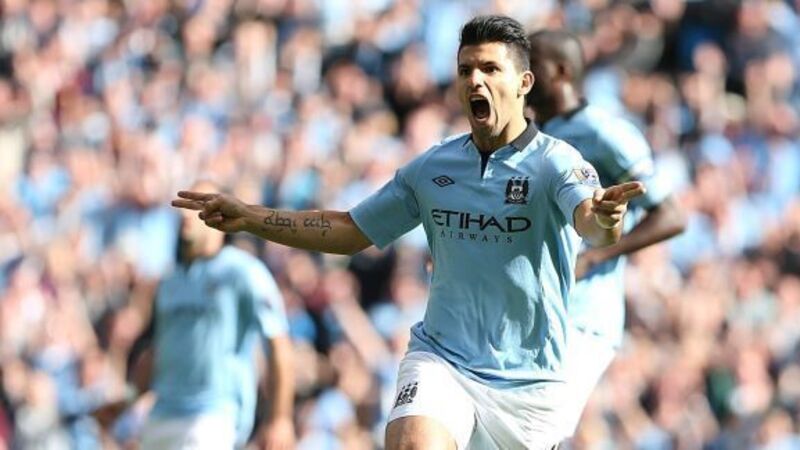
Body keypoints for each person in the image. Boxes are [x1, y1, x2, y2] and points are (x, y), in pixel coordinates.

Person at [173, 16, 645, 450]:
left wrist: (606, 217)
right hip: (443, 361)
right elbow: (350, 230)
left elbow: (594, 224)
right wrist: (250, 217)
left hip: (529, 389)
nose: (474, 80)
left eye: (489, 69)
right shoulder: (434, 168)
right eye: (465, 70)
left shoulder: (556, 162)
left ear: (524, 83)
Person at [526, 30, 687, 442]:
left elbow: (671, 216)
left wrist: (595, 257)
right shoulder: (527, 139)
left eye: (532, 65)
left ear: (562, 71)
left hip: (583, 315)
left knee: (535, 432)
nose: (522, 74)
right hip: (531, 311)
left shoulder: (604, 133)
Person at [135, 180, 295, 450]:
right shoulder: (169, 281)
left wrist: (280, 417)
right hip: (162, 413)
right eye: (183, 208)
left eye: (197, 206)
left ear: (222, 215)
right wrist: (130, 399)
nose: (185, 215)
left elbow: (278, 344)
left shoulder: (243, 272)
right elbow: (158, 349)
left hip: (213, 415)